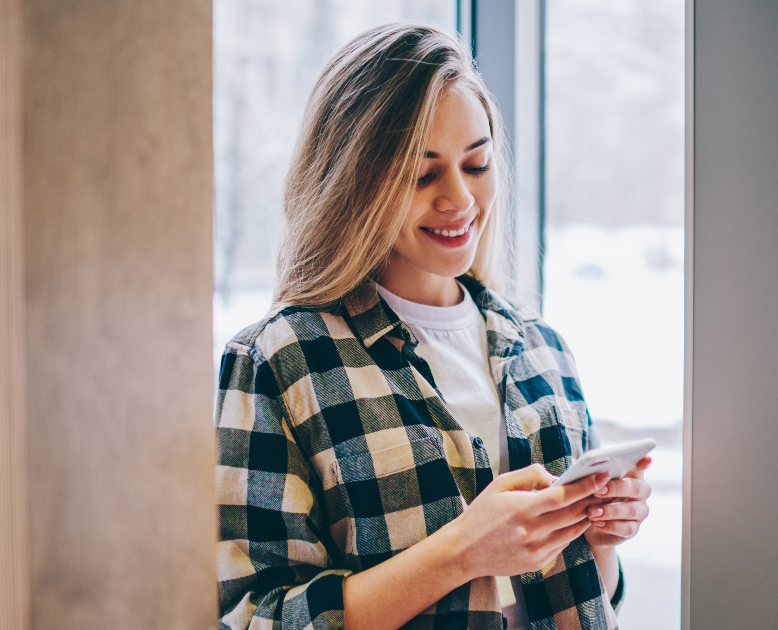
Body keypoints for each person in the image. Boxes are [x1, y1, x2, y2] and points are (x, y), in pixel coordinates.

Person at [215, 24, 652, 630]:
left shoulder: (542, 350)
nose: (461, 200)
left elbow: (586, 598)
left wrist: (600, 536)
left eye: (476, 164)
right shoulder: (281, 360)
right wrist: (462, 552)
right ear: (353, 184)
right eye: (423, 176)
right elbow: (253, 618)